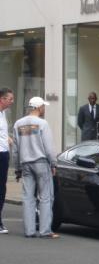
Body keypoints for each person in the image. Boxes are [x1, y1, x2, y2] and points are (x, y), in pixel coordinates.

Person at [13, 97, 58, 238]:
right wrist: (53, 163)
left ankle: (29, 230)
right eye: (43, 107)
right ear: (38, 108)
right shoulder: (42, 124)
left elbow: (15, 149)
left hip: (25, 164)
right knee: (45, 197)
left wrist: (17, 168)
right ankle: (45, 230)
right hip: (41, 163)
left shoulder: (18, 124)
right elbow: (49, 147)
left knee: (27, 198)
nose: (44, 109)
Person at [0, 87, 15, 234]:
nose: (12, 101)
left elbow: (2, 132)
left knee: (2, 187)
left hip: (4, 153)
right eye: (10, 99)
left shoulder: (4, 113)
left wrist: (9, 139)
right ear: (2, 99)